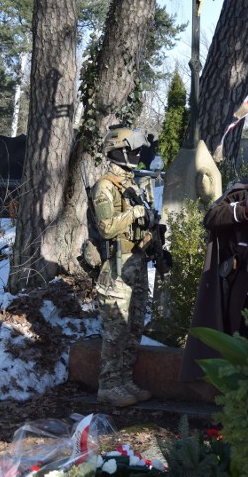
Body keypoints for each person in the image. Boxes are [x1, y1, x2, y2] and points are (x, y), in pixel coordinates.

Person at [179, 125, 248, 381]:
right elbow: (211, 217)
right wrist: (241, 209)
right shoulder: (242, 189)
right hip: (239, 279)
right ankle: (234, 402)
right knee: (235, 339)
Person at [91, 126, 157, 407]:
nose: (139, 154)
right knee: (116, 328)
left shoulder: (134, 185)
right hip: (116, 269)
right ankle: (108, 385)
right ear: (121, 150)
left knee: (134, 328)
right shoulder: (105, 186)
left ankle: (124, 379)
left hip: (136, 264)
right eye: (134, 149)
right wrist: (135, 212)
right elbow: (106, 228)